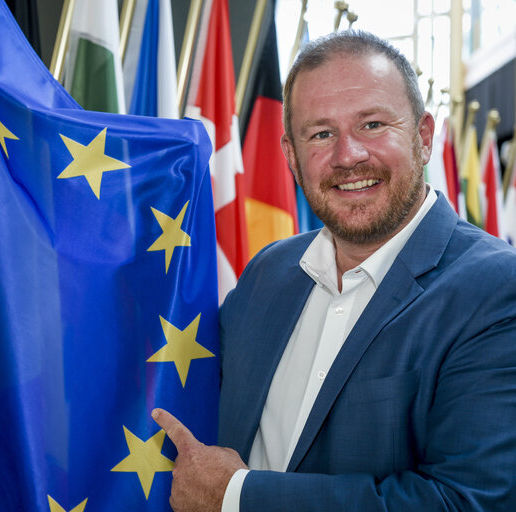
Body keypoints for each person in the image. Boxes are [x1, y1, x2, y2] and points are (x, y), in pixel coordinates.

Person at [152, 30, 516, 511]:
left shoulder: (495, 291)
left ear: (424, 138)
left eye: (372, 125)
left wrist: (238, 496)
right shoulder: (266, 273)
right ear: (291, 157)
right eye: (321, 133)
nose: (349, 156)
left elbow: (466, 501)